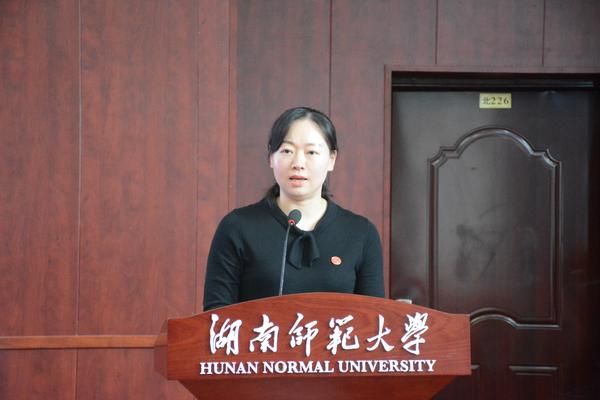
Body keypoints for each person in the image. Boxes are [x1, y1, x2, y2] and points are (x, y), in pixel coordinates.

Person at [203, 106, 384, 311]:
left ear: (331, 159)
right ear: (271, 157)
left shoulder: (360, 233)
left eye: (311, 152)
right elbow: (215, 318)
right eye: (287, 151)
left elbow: (375, 319)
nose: (298, 163)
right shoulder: (237, 227)